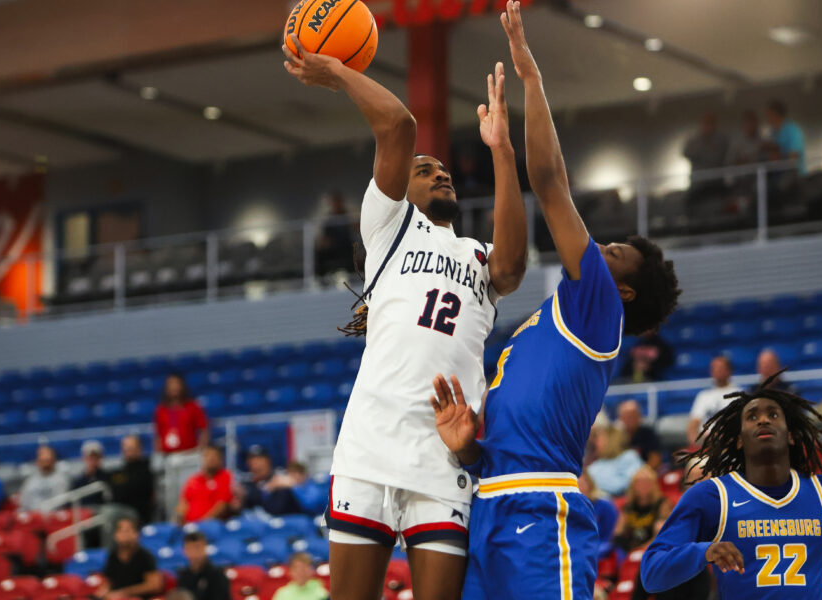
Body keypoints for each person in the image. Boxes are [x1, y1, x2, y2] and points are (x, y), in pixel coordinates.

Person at [430, 4, 681, 598]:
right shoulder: (548, 319)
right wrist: (470, 448)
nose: (599, 247)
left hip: (541, 508)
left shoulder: (599, 308)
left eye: (613, 252)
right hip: (489, 503)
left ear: (623, 291)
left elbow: (549, 182)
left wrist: (531, 76)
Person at [283, 13, 528, 600]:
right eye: (425, 170)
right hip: (371, 442)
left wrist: (500, 151)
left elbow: (514, 268)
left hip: (445, 451)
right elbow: (398, 124)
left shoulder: (478, 254)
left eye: (444, 171)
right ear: (400, 187)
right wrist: (338, 70)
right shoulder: (388, 226)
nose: (439, 173)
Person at [640, 374, 822, 599]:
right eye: (752, 417)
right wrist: (704, 552)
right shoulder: (712, 497)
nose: (764, 420)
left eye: (774, 415)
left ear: (790, 434)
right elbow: (651, 573)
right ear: (739, 440)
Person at [154, 373, 208, 518]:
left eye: (176, 384)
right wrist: (159, 455)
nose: (174, 387)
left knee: (189, 492)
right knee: (170, 496)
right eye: (170, 384)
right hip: (169, 458)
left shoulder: (193, 406)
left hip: (190, 457)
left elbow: (203, 429)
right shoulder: (161, 410)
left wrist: (200, 451)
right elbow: (158, 435)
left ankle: (192, 520)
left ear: (182, 386)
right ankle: (173, 522)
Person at [98, 517, 163, 600]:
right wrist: (103, 592)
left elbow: (154, 585)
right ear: (115, 535)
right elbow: (109, 581)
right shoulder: (112, 556)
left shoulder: (145, 556)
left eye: (128, 531)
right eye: (120, 531)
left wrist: (124, 593)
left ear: (136, 534)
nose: (124, 535)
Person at [615, 466, 672, 553]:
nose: (643, 486)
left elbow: (663, 533)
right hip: (631, 547)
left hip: (652, 548)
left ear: (654, 484)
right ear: (633, 485)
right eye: (639, 482)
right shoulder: (628, 506)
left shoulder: (662, 504)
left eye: (646, 482)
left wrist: (642, 550)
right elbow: (618, 531)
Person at [686, 356, 741, 445]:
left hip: (729, 442)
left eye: (721, 368)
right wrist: (697, 442)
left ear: (729, 370)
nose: (717, 371)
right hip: (704, 443)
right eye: (714, 368)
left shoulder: (738, 394)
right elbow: (693, 425)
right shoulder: (703, 395)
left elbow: (738, 424)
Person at [234, 446, 303, 516]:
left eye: (259, 459)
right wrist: (268, 488)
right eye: (251, 460)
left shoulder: (280, 477)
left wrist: (293, 483)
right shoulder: (246, 483)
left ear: (268, 461)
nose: (255, 464)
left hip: (286, 519)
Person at [176, 445, 233, 524]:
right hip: (189, 526)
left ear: (220, 460)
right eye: (208, 455)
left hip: (212, 525)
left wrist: (200, 524)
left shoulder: (225, 476)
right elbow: (183, 502)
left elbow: (222, 506)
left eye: (214, 456)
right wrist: (181, 518)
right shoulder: (193, 480)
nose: (211, 459)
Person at [109, 435, 155, 525]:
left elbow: (133, 491)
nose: (127, 451)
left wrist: (120, 486)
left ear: (139, 449)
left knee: (109, 512)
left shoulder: (145, 469)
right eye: (125, 448)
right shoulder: (121, 470)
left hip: (138, 513)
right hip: (121, 510)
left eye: (131, 448)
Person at [587, 425, 645, 496]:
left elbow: (629, 483)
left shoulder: (629, 457)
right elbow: (586, 480)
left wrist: (594, 485)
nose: (596, 443)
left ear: (611, 440)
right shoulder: (598, 463)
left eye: (599, 439)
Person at [176, 532, 230, 600]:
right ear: (184, 551)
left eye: (197, 547)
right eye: (190, 548)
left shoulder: (217, 574)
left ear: (205, 548)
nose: (194, 552)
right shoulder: (183, 576)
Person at [578, 472, 619, 562]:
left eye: (582, 484)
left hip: (601, 546)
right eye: (577, 485)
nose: (580, 488)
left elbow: (611, 533)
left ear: (590, 485)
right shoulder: (568, 507)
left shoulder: (604, 506)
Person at [315, 191, 357, 277]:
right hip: (334, 249)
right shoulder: (329, 220)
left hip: (348, 247)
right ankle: (320, 279)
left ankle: (355, 276)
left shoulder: (348, 217)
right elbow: (326, 237)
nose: (336, 204)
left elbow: (355, 232)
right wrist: (323, 243)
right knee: (320, 254)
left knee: (353, 254)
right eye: (333, 202)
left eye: (338, 201)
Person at [18, 446, 71, 512]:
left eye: (48, 460)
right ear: (37, 461)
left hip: (54, 515)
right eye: (43, 461)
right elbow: (24, 502)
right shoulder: (30, 481)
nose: (45, 464)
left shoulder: (62, 479)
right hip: (33, 514)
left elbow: (60, 502)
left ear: (54, 460)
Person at [764, 99, 806, 174]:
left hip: (795, 177)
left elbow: (793, 158)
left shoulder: (792, 130)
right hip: (779, 177)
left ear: (775, 115)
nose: (768, 119)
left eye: (769, 115)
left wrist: (778, 156)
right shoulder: (773, 133)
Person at [618, 400, 662, 470]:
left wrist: (642, 472)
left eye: (634, 415)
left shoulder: (648, 434)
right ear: (621, 418)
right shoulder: (616, 436)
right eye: (627, 416)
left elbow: (655, 459)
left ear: (640, 416)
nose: (631, 419)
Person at [72, 440, 109, 506]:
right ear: (83, 458)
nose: (93, 461)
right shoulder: (77, 481)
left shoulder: (108, 478)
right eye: (90, 458)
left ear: (101, 458)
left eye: (96, 457)